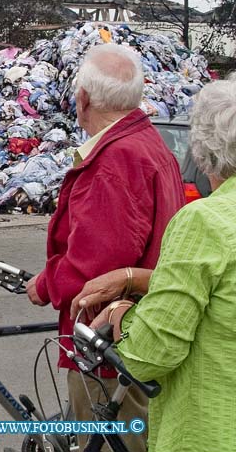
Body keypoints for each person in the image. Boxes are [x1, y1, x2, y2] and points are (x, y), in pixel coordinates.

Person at [25, 44, 185, 452]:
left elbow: (94, 265)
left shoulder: (114, 161)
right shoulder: (149, 144)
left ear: (83, 100)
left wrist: (45, 286)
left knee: (107, 439)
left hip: (105, 342)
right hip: (137, 331)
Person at [76, 78, 236, 452]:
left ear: (203, 151)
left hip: (212, 430)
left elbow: (150, 354)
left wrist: (121, 314)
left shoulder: (207, 222)